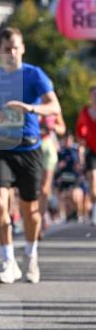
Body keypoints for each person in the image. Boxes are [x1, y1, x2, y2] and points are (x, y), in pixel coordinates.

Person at [0, 26, 61, 285]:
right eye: (7, 49)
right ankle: (8, 262)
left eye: (16, 47)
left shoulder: (35, 75)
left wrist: (30, 108)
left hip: (28, 147)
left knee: (30, 209)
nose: (12, 53)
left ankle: (31, 254)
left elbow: (54, 106)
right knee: (0, 202)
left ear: (22, 48)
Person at [76, 83, 96, 225]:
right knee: (93, 181)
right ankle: (95, 209)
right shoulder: (85, 111)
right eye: (93, 94)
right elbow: (80, 135)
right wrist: (80, 153)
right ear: (90, 96)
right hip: (91, 151)